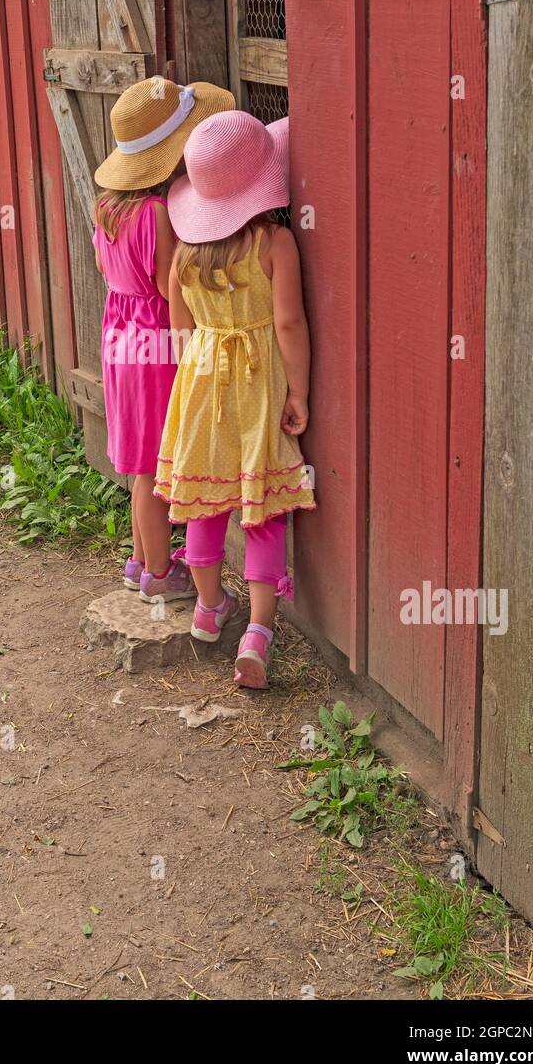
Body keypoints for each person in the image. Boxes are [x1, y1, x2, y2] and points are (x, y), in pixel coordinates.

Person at [155, 110, 316, 687]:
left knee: (205, 495)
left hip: (201, 377)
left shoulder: (185, 256)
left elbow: (179, 329)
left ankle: (207, 608)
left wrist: (204, 364)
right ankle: (259, 631)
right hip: (258, 379)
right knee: (261, 502)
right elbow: (290, 324)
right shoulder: (275, 243)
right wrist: (298, 392)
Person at [93, 75, 235, 602]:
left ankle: (139, 560)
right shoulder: (156, 213)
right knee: (154, 468)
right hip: (156, 340)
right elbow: (165, 285)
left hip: (121, 337)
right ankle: (158, 573)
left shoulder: (107, 207)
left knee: (139, 459)